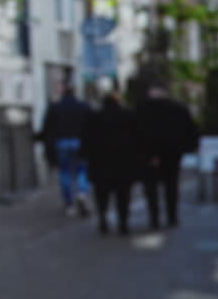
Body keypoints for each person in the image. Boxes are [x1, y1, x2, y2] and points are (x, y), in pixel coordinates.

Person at [135, 86, 200, 229]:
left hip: (148, 155)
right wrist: (187, 147)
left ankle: (154, 218)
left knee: (151, 188)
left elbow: (134, 133)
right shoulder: (178, 109)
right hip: (172, 154)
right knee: (171, 186)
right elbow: (191, 130)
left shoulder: (141, 110)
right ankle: (172, 216)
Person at [80, 92, 140, 235]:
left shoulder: (95, 118)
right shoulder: (128, 116)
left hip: (101, 164)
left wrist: (85, 155)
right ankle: (123, 222)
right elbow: (137, 139)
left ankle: (103, 218)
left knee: (102, 195)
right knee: (123, 195)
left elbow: (86, 139)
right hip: (123, 164)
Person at [40, 84, 93, 217]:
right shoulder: (83, 107)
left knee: (65, 172)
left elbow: (47, 128)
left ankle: (69, 203)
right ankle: (82, 193)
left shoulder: (55, 107)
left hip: (61, 143)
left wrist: (47, 144)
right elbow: (92, 125)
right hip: (80, 142)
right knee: (82, 170)